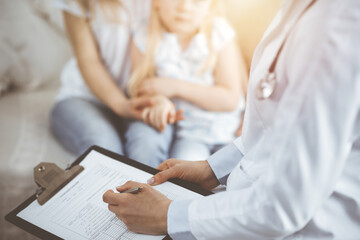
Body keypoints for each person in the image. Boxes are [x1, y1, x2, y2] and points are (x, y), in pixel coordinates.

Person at [103, 0, 360, 239]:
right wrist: (213, 170)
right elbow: (279, 128)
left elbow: (281, 206)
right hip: (248, 197)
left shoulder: (337, 29)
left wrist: (166, 216)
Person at [50, 0, 181, 165]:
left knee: (148, 145)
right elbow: (89, 61)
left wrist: (158, 97)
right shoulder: (78, 3)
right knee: (104, 150)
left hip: (141, 95)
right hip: (83, 97)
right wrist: (122, 106)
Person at [126, 0, 247, 163]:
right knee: (183, 172)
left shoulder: (219, 33)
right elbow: (140, 88)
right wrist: (158, 100)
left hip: (230, 133)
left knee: (239, 175)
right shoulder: (144, 33)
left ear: (210, 6)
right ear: (156, 2)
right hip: (190, 136)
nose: (184, 7)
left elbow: (229, 99)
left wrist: (175, 87)